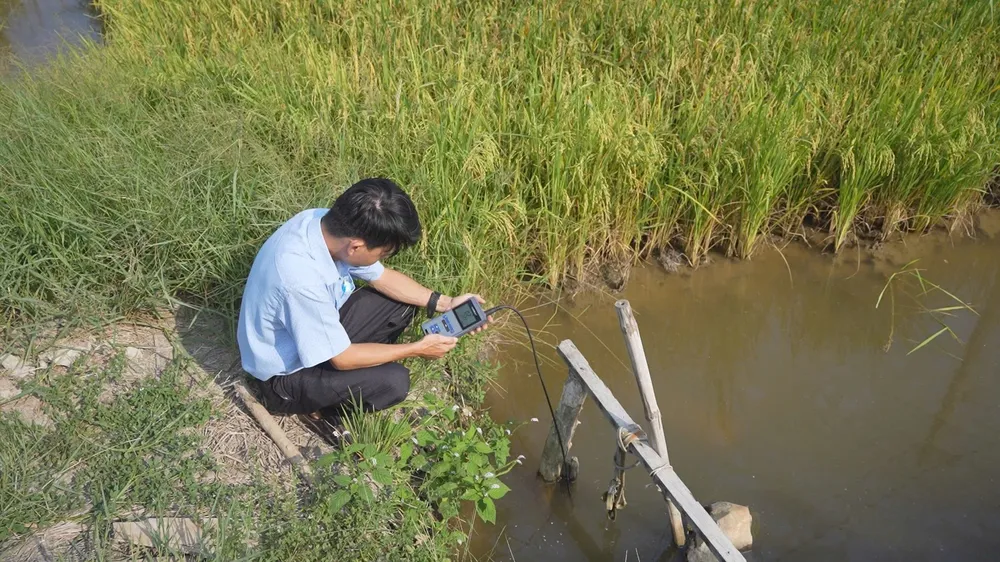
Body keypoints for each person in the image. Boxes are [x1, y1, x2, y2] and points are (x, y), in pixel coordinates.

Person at [236, 177, 490, 427]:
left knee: (402, 302)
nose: (384, 258)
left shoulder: (322, 223)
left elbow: (382, 277)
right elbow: (342, 359)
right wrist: (417, 348)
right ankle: (323, 414)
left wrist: (445, 303)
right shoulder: (301, 280)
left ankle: (345, 384)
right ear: (355, 247)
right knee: (394, 381)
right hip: (284, 379)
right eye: (383, 253)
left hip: (311, 337)